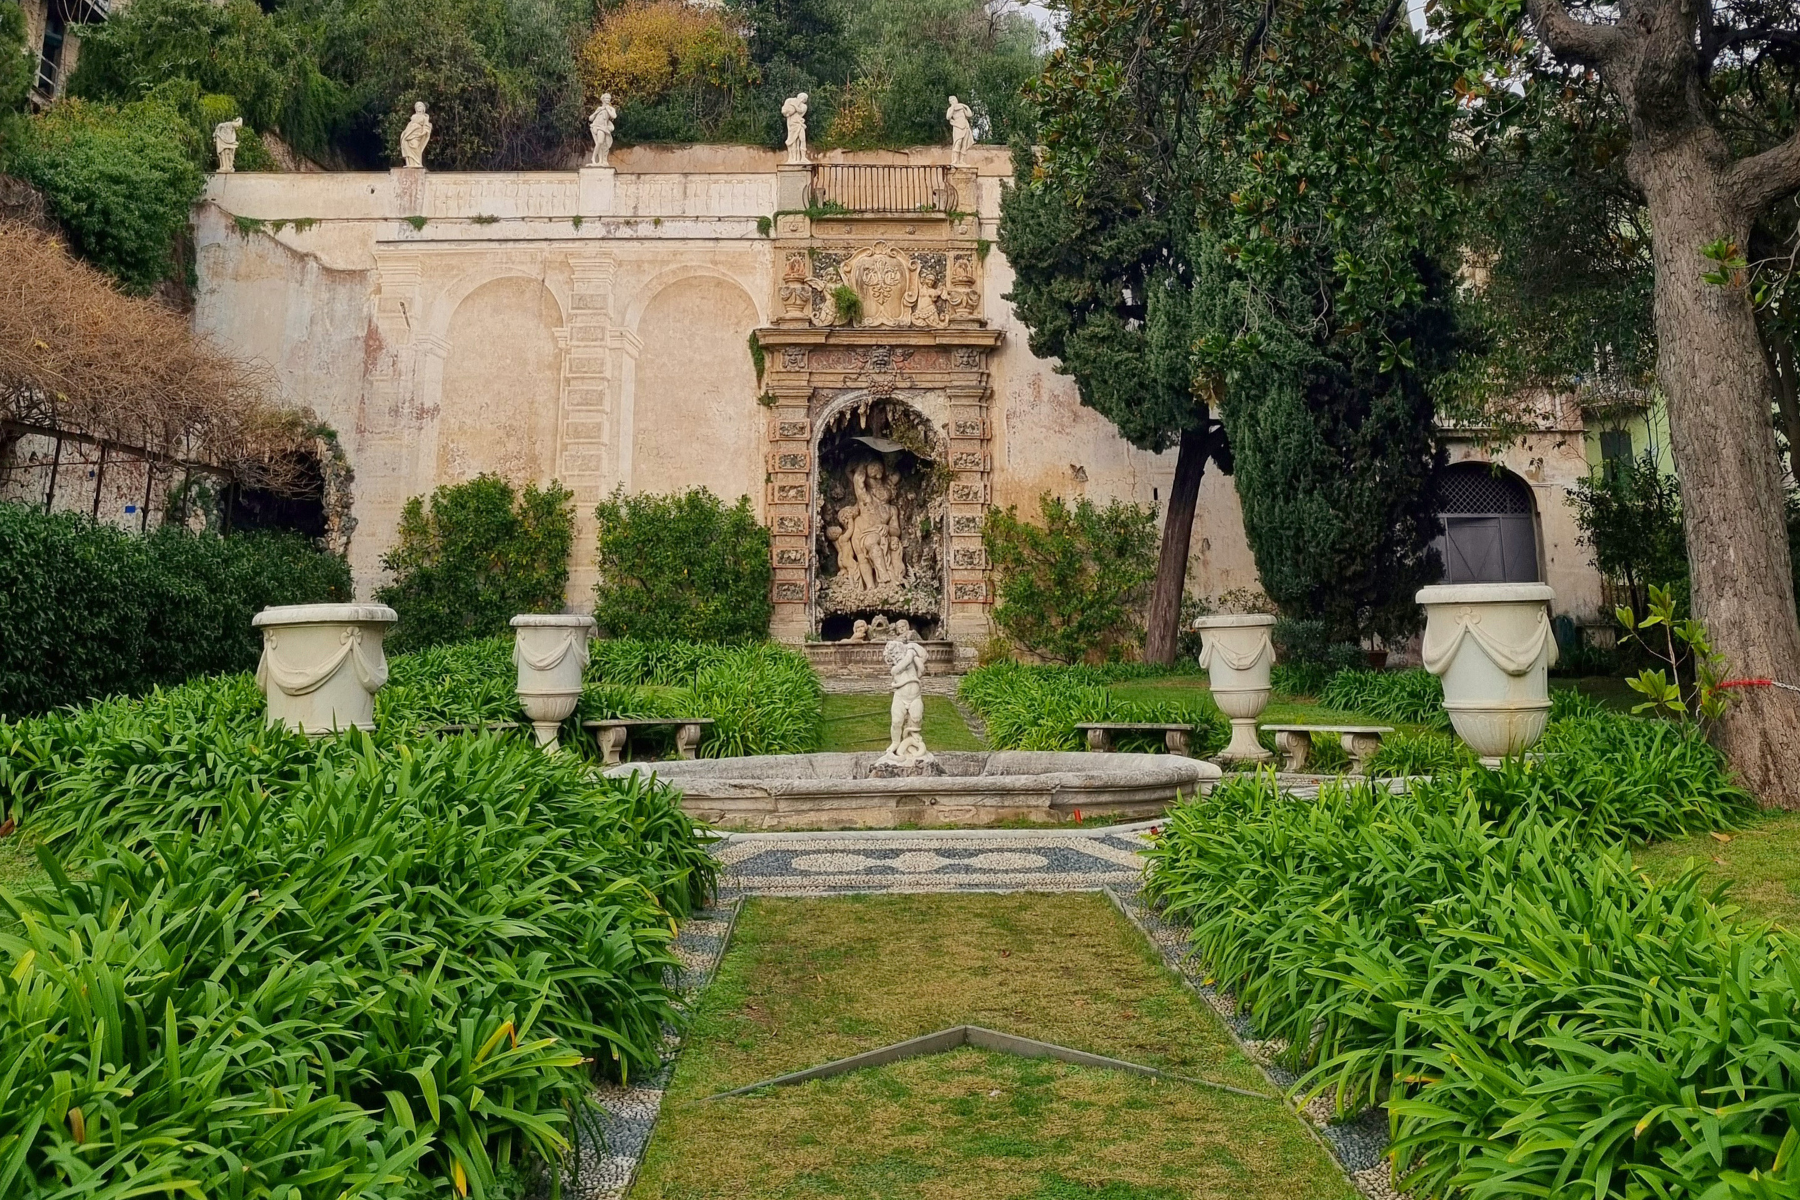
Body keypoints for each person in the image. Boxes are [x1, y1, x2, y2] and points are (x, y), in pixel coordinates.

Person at [400, 102, 432, 169]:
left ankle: (417, 162)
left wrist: (422, 133)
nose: (418, 108)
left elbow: (426, 126)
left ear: (423, 108)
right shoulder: (413, 116)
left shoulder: (425, 117)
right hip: (409, 133)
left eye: (420, 106)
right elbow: (410, 124)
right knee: (406, 144)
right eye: (417, 106)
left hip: (417, 133)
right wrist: (405, 132)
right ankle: (409, 163)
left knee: (415, 146)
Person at [588, 94, 617, 167]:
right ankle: (599, 160)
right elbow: (590, 119)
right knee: (598, 143)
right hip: (595, 126)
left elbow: (614, 116)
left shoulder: (611, 109)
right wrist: (596, 112)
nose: (608, 100)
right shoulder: (599, 108)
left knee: (600, 142)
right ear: (603, 99)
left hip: (602, 127)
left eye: (609, 98)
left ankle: (594, 158)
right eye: (606, 98)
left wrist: (607, 109)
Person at [946, 96, 975, 166]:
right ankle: (955, 160)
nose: (953, 101)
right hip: (957, 126)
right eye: (951, 100)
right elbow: (948, 117)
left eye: (954, 99)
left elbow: (969, 115)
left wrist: (966, 106)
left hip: (965, 125)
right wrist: (953, 107)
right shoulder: (950, 109)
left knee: (964, 144)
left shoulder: (961, 107)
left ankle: (961, 160)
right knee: (958, 142)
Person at [782, 93, 809, 165]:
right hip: (791, 124)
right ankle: (792, 158)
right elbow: (784, 111)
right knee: (792, 141)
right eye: (803, 97)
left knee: (802, 139)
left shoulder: (804, 106)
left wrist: (794, 105)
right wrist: (788, 111)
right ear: (799, 96)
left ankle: (802, 157)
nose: (803, 99)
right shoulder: (790, 100)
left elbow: (800, 111)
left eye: (805, 99)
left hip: (799, 123)